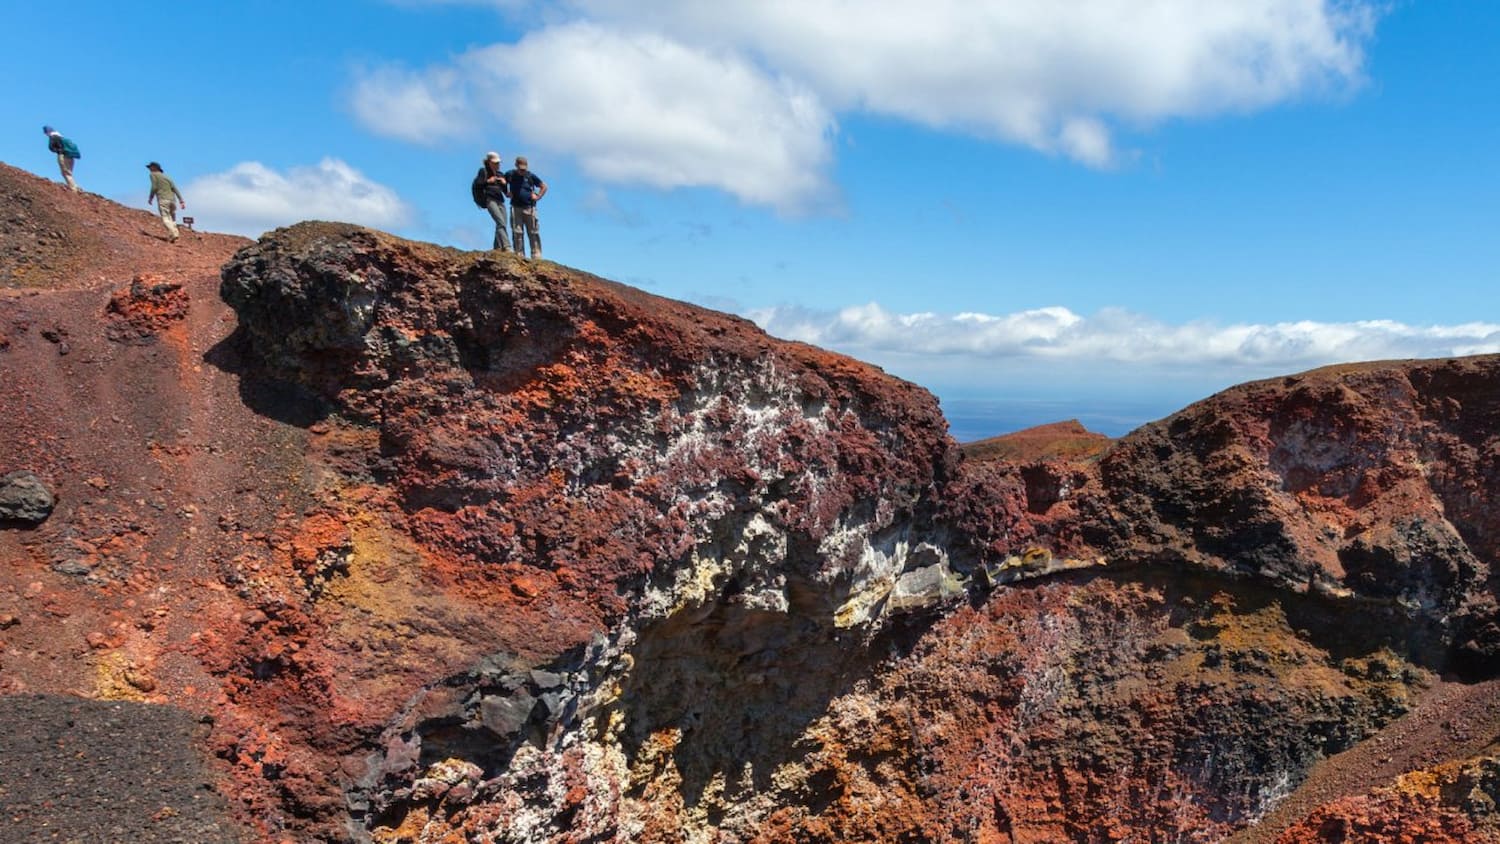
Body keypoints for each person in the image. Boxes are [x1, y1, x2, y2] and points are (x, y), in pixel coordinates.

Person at [505, 155, 547, 259]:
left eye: (524, 169)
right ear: (516, 166)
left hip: (530, 207)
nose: (522, 171)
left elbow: (544, 186)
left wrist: (538, 196)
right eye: (520, 169)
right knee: (517, 232)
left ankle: (536, 255)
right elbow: (502, 181)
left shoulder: (530, 176)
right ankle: (519, 255)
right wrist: (506, 192)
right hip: (515, 207)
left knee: (533, 232)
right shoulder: (510, 174)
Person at [471, 151, 510, 251]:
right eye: (495, 163)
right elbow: (478, 184)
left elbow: (506, 193)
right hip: (489, 199)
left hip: (500, 200)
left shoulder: (500, 174)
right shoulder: (483, 172)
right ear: (489, 162)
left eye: (498, 163)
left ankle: (497, 248)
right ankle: (507, 246)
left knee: (502, 224)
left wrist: (504, 183)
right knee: (500, 222)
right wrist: (488, 181)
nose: (498, 165)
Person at [146, 162, 186, 243]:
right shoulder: (167, 177)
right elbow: (175, 188)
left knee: (165, 218)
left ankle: (174, 233)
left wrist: (151, 197)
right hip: (172, 200)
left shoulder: (153, 175)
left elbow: (154, 186)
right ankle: (173, 236)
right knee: (172, 218)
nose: (149, 169)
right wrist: (181, 200)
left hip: (163, 199)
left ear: (154, 168)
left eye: (150, 168)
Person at [42, 126, 81, 192]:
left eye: (45, 132)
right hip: (70, 156)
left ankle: (74, 189)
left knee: (65, 173)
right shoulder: (61, 137)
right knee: (69, 173)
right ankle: (75, 186)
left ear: (47, 132)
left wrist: (58, 151)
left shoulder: (53, 137)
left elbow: (51, 147)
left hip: (63, 156)